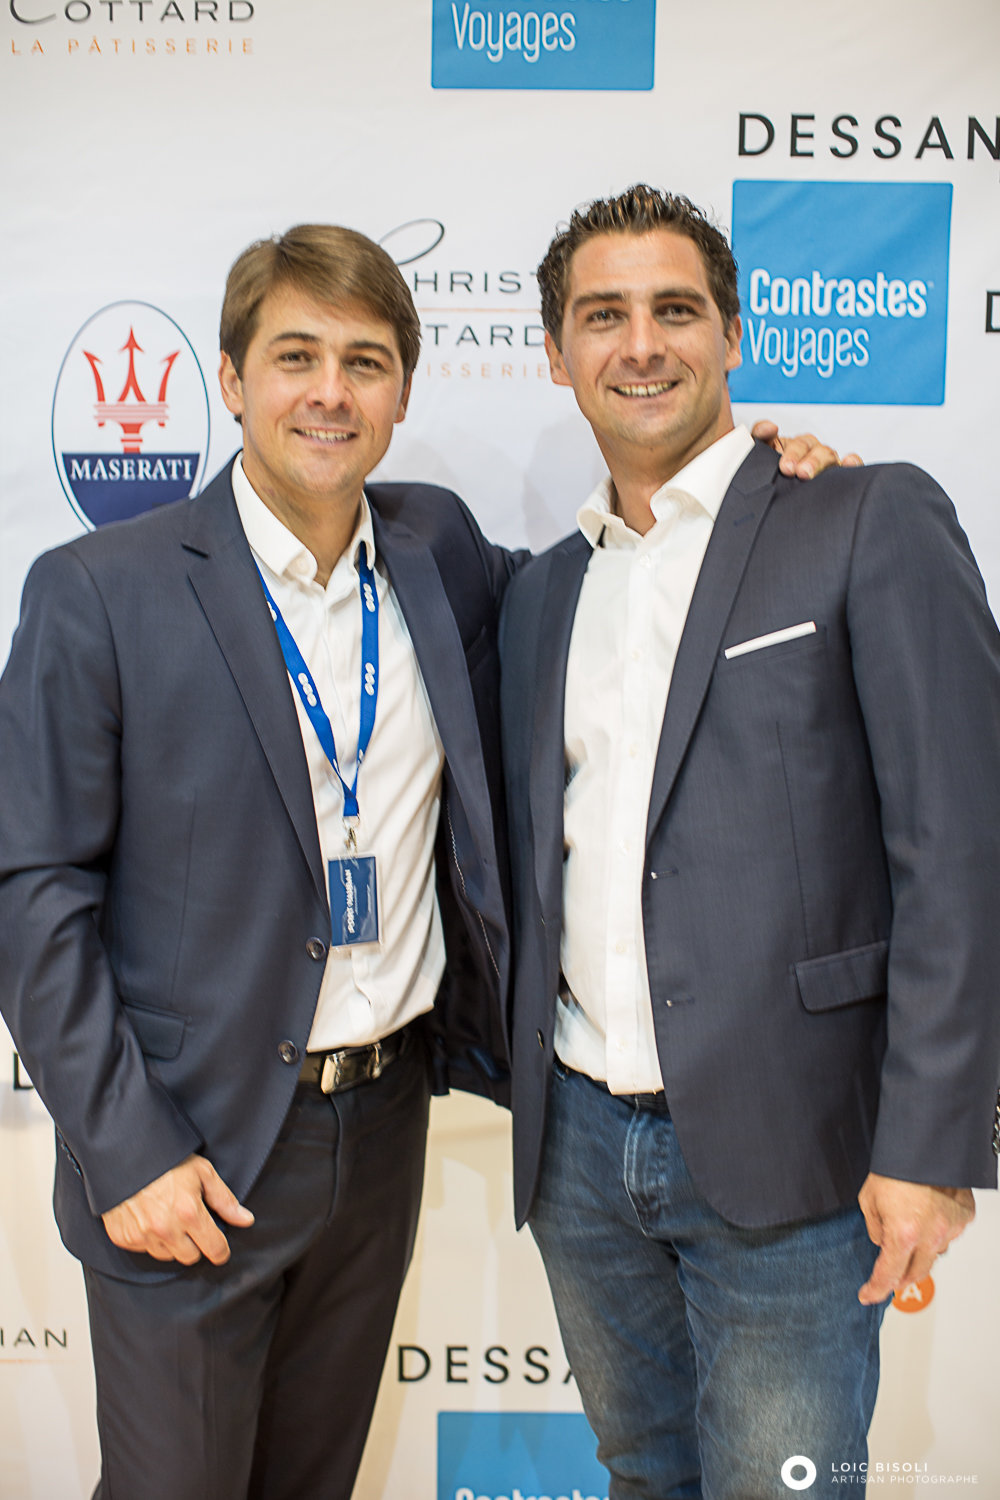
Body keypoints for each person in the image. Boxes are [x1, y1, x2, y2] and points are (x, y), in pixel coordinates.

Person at [0, 217, 842, 1500]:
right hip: (189, 1145)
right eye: (295, 357)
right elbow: (32, 887)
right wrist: (127, 1150)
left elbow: (625, 580)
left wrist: (768, 484)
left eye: (366, 361)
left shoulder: (440, 555)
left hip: (382, 1129)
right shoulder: (99, 589)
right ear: (230, 380)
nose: (329, 393)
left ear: (402, 390)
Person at [498, 185, 1000, 1499]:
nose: (640, 344)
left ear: (733, 335)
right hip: (579, 1152)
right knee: (643, 1478)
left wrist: (933, 1143)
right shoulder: (543, 591)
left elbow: (958, 846)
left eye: (675, 310)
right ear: (554, 353)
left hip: (799, 1148)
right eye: (602, 316)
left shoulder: (864, 515)